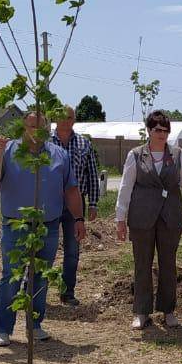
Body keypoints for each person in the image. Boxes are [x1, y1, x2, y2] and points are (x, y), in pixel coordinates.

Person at [0, 111, 86, 346]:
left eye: (40, 127)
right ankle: (3, 329)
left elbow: (70, 189)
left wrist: (79, 218)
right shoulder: (8, 150)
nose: (35, 131)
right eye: (31, 126)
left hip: (48, 227)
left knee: (41, 277)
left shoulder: (59, 155)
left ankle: (34, 324)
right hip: (15, 225)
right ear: (23, 127)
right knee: (12, 276)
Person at [114, 110, 182, 329]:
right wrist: (120, 219)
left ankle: (168, 310)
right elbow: (125, 187)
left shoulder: (177, 154)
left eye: (165, 130)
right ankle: (142, 312)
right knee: (142, 264)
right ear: (149, 131)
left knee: (168, 264)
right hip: (141, 217)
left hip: (170, 217)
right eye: (157, 130)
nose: (162, 134)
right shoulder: (136, 155)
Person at [51, 104, 102, 306]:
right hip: (50, 201)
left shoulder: (83, 143)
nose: (67, 121)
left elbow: (92, 174)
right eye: (63, 117)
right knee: (44, 247)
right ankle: (35, 290)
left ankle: (67, 292)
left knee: (72, 251)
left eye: (70, 117)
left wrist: (93, 203)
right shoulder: (45, 142)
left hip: (76, 203)